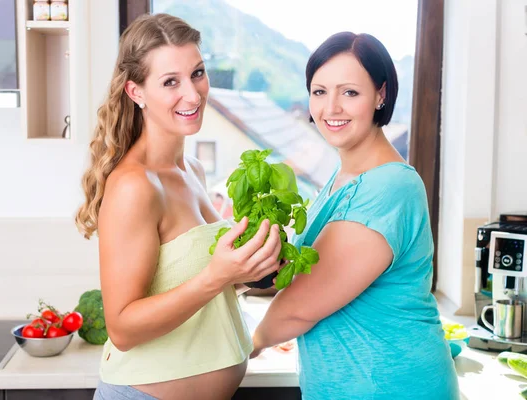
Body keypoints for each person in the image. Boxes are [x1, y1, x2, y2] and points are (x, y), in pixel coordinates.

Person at [74, 13, 281, 400]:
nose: (193, 93)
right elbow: (122, 327)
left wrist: (249, 269)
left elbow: (188, 277)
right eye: (170, 82)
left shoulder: (193, 169)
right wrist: (218, 276)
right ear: (136, 92)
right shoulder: (135, 185)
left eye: (197, 73)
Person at [250, 32, 460, 400]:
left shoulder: (389, 187)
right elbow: (310, 273)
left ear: (380, 95)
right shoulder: (343, 175)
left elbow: (298, 308)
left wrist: (239, 346)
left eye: (350, 92)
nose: (331, 108)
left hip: (393, 386)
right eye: (319, 91)